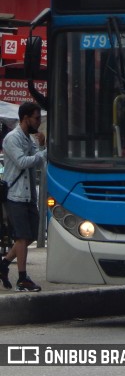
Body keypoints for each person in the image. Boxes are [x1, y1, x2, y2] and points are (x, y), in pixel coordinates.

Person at [0, 101, 47, 292]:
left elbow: (37, 163)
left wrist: (41, 147)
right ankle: (22, 278)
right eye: (36, 118)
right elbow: (22, 162)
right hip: (16, 195)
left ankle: (4, 264)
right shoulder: (12, 138)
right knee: (21, 236)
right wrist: (45, 152)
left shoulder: (29, 139)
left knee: (30, 235)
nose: (38, 122)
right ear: (26, 118)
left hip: (29, 197)